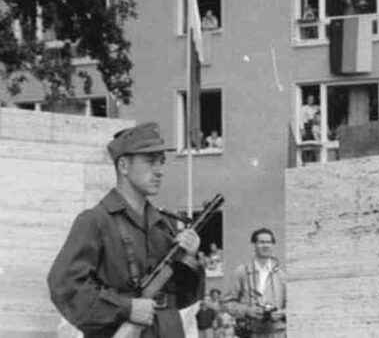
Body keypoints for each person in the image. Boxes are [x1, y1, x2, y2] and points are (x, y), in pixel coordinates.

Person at [48, 122, 204, 337]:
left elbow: (185, 297)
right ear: (123, 166)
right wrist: (125, 308)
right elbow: (65, 286)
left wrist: (189, 259)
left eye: (161, 162)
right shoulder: (96, 221)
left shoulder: (164, 226)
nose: (159, 171)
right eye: (150, 162)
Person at [222, 228, 286, 335]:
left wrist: (282, 313)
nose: (266, 245)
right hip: (250, 331)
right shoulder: (241, 272)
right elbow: (227, 303)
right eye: (261, 242)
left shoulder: (282, 275)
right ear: (254, 245)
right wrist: (247, 311)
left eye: (269, 242)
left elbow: (293, 304)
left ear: (273, 245)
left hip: (277, 331)